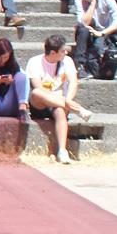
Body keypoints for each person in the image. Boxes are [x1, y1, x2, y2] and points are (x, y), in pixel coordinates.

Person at [26, 35, 90, 165]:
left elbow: (73, 82)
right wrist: (63, 101)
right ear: (53, 52)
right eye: (62, 51)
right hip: (41, 102)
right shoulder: (35, 61)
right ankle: (77, 109)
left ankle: (62, 151)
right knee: (37, 92)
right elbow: (37, 86)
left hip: (61, 101)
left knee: (60, 111)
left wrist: (68, 100)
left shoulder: (67, 61)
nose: (65, 53)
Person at [0, 37, 28, 118]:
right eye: (1, 57)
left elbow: (19, 80)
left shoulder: (12, 65)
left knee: (21, 76)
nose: (3, 60)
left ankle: (22, 109)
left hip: (10, 102)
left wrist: (11, 80)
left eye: (6, 57)